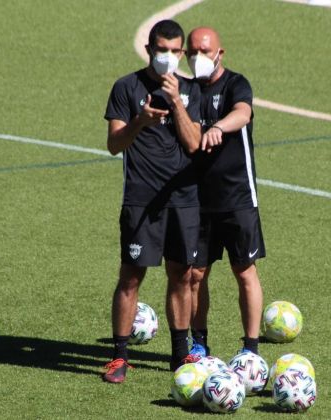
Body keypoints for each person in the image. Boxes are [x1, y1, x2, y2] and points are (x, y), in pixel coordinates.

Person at [103, 19, 202, 383]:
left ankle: (179, 355)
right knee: (130, 277)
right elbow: (114, 145)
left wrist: (176, 101)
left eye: (176, 51)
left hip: (184, 199)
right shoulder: (126, 88)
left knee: (182, 274)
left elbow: (194, 144)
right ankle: (119, 357)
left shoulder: (193, 90)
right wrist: (140, 122)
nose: (169, 57)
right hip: (141, 199)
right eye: (163, 50)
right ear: (149, 50)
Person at [186, 27, 265, 358]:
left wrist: (218, 126)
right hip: (196, 200)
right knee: (194, 275)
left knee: (243, 270)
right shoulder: (185, 91)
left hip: (237, 198)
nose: (198, 58)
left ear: (220, 53)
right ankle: (199, 344)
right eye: (192, 52)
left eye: (205, 51)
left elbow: (242, 113)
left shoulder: (236, 84)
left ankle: (251, 349)